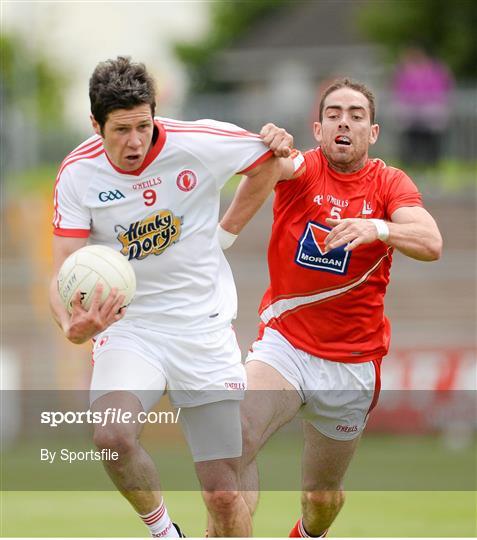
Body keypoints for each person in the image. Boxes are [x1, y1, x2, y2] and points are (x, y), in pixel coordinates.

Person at [49, 56, 294, 537]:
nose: (135, 141)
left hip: (202, 328)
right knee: (112, 437)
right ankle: (165, 533)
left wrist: (226, 232)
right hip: (129, 329)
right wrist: (69, 324)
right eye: (121, 129)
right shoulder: (78, 173)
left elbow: (271, 162)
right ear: (95, 124)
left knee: (224, 494)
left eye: (144, 125)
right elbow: (62, 265)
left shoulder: (199, 142)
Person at [219, 78, 443, 537]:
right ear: (318, 129)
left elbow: (431, 242)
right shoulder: (301, 169)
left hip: (352, 365)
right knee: (232, 442)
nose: (345, 121)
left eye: (356, 115)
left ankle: (307, 534)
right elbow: (265, 168)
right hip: (286, 348)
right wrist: (263, 147)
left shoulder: (389, 183)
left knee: (321, 497)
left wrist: (378, 228)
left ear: (373, 132)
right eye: (335, 113)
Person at [392, 46, 454, 166]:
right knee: (411, 138)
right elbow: (400, 90)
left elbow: (443, 88)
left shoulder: (435, 70)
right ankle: (413, 161)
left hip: (430, 110)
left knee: (431, 139)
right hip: (412, 111)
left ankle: (431, 162)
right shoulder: (406, 71)